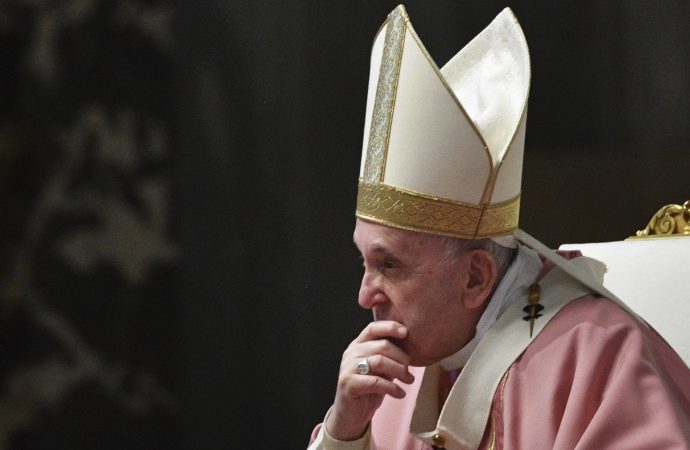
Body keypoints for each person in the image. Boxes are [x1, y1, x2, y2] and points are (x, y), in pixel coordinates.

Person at [309, 5, 690, 450]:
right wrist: (345, 431)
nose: (364, 295)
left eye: (389, 265)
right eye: (364, 261)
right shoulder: (400, 373)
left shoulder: (596, 355)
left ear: (475, 277)